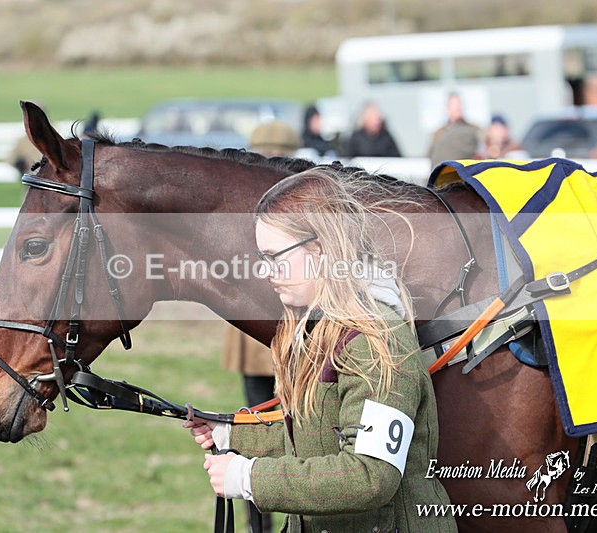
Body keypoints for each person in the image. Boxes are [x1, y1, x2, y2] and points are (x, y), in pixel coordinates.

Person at [185, 168, 456, 532]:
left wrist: (248, 477)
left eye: (274, 256)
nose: (267, 272)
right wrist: (230, 434)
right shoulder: (318, 328)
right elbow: (317, 441)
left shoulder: (379, 342)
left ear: (319, 250)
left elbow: (369, 474)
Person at [224, 118, 303, 533]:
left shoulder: (240, 206)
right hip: (288, 341)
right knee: (297, 436)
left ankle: (259, 526)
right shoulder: (298, 206)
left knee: (254, 433)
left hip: (257, 343)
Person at [427, 93, 480, 167]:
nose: (458, 107)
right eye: (454, 105)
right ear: (448, 108)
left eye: (459, 104)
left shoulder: (474, 129)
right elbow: (430, 154)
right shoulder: (438, 133)